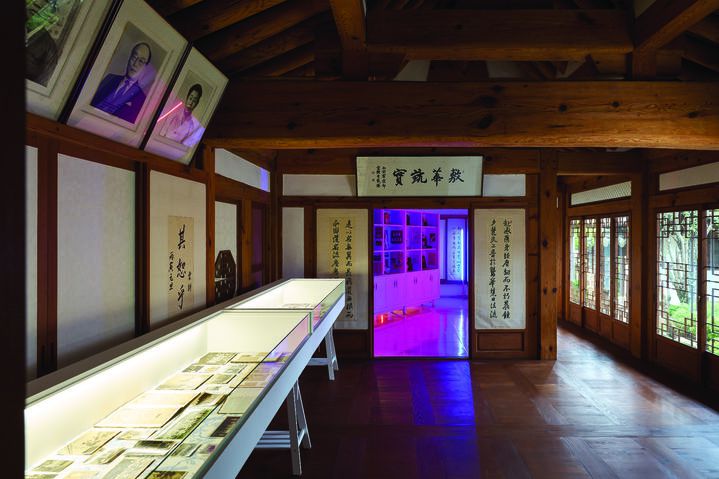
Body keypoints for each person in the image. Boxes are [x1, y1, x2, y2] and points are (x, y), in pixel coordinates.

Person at [91, 42, 151, 124]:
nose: (135, 64)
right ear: (129, 58)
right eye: (134, 57)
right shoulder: (109, 78)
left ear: (145, 68)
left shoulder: (141, 99)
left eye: (141, 61)